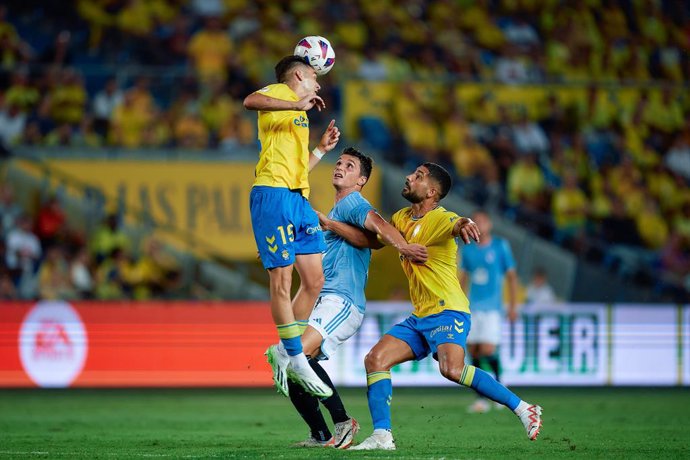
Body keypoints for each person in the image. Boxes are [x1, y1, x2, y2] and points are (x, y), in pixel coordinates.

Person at [326, 163, 542, 450]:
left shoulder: (440, 218)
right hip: (421, 316)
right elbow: (370, 241)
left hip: (449, 310)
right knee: (375, 360)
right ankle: (382, 436)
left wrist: (466, 224)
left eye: (417, 176)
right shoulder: (401, 218)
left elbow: (457, 223)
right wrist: (328, 224)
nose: (408, 177)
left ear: (431, 191)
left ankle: (523, 408)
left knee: (452, 370)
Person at [265, 147, 428, 449]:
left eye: (349, 166)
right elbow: (369, 241)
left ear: (361, 179)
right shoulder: (339, 211)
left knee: (293, 355)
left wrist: (403, 247)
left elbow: (378, 227)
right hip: (325, 300)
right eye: (339, 163)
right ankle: (321, 434)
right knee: (295, 368)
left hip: (342, 300)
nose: (339, 167)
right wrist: (328, 225)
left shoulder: (353, 202)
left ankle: (342, 422)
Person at [243, 55, 340, 398]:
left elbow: (298, 168)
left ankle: (285, 350)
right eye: (315, 76)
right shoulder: (281, 92)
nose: (318, 83)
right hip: (272, 195)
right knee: (282, 279)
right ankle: (297, 358)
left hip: (298, 198)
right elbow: (250, 100)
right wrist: (297, 101)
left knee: (315, 280)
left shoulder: (298, 115)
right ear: (300, 74)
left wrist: (321, 150)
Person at [458, 210, 519, 413]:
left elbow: (511, 277)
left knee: (487, 350)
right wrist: (458, 303)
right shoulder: (468, 250)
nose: (479, 224)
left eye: (483, 221)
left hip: (493, 308)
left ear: (489, 224)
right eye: (476, 221)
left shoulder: (500, 246)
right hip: (473, 307)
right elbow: (464, 279)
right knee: (473, 351)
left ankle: (500, 387)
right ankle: (482, 398)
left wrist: (512, 306)